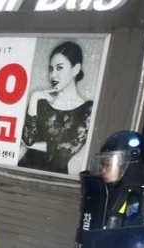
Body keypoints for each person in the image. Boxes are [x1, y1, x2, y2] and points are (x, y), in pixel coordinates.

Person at [18, 41, 93, 174]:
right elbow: (28, 139)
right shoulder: (40, 101)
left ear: (75, 69)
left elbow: (63, 153)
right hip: (23, 171)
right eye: (51, 69)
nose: (53, 75)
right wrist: (34, 98)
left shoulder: (88, 110)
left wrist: (30, 145)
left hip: (54, 180)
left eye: (59, 68)